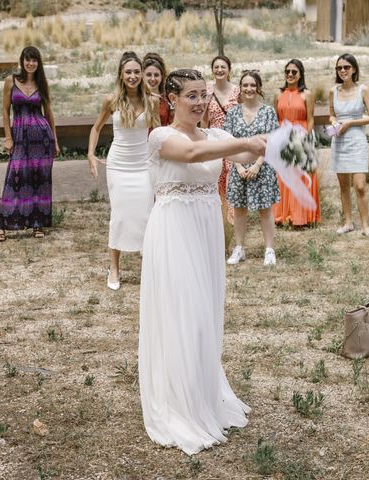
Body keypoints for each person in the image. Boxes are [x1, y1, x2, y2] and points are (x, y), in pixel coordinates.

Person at [139, 69, 266, 455]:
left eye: (203, 95)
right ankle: (179, 405)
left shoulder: (218, 136)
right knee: (184, 312)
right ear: (172, 98)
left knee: (205, 313)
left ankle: (202, 395)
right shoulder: (161, 137)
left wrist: (271, 144)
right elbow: (193, 155)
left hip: (206, 228)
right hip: (173, 229)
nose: (198, 103)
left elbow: (245, 153)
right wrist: (243, 141)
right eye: (190, 95)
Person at [88, 51, 158, 290]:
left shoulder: (152, 100)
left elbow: (158, 132)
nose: (133, 76)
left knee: (146, 215)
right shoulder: (111, 100)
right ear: (121, 74)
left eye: (137, 72)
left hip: (143, 165)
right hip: (118, 165)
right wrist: (90, 154)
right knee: (119, 216)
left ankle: (149, 265)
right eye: (128, 72)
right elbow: (96, 128)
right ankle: (114, 268)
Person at [0, 46, 59, 242]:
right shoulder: (10, 81)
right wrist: (8, 137)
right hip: (20, 138)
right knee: (15, 177)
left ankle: (37, 223)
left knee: (39, 180)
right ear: (22, 61)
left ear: (38, 63)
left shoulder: (41, 83)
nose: (31, 63)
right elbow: (5, 112)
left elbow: (48, 113)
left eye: (34, 60)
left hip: (42, 139)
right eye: (27, 60)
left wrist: (55, 140)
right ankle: (2, 224)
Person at [223, 70, 280, 266]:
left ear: (258, 88)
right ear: (240, 88)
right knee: (239, 209)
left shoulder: (268, 112)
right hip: (238, 169)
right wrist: (237, 165)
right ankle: (239, 248)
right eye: (245, 85)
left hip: (262, 168)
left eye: (252, 85)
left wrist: (257, 164)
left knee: (265, 210)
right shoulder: (232, 112)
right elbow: (227, 142)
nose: (249, 89)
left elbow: (272, 141)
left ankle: (269, 250)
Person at [328, 53, 369, 238]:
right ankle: (348, 222)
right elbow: (331, 114)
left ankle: (365, 226)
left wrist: (350, 123)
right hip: (339, 139)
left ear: (354, 69)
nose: (342, 71)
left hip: (356, 140)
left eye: (346, 67)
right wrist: (334, 123)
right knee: (343, 186)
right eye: (339, 68)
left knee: (360, 186)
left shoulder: (363, 90)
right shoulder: (333, 91)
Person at [273, 59, 321, 226]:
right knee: (283, 176)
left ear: (300, 74)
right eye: (288, 72)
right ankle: (282, 215)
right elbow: (276, 119)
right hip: (282, 137)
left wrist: (304, 139)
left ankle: (301, 216)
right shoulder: (278, 94)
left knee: (300, 175)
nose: (290, 75)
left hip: (301, 137)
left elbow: (310, 119)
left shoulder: (306, 94)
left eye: (294, 72)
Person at [203, 55, 240, 232]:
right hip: (214, 142)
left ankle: (232, 231)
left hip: (232, 142)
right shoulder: (207, 90)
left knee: (232, 186)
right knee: (216, 185)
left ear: (229, 70)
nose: (219, 70)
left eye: (223, 67)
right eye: (216, 67)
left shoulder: (237, 91)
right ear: (212, 70)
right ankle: (216, 228)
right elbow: (203, 119)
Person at [142, 52, 173, 126]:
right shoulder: (138, 97)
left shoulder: (167, 98)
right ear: (142, 75)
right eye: (149, 75)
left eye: (156, 75)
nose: (153, 79)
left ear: (162, 76)